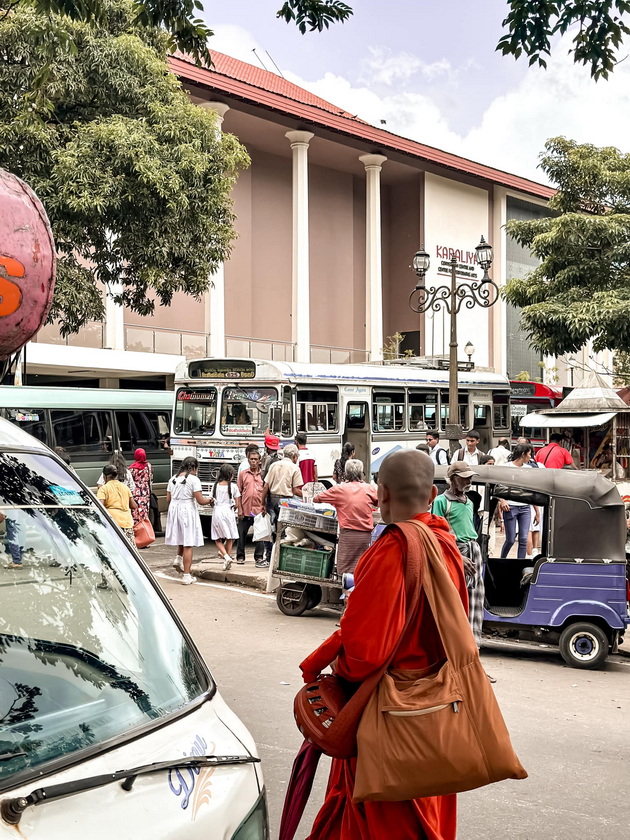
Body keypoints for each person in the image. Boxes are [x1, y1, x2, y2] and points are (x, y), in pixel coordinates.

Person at [300, 449, 467, 840]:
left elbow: (364, 652)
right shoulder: (447, 544)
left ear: (383, 493)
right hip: (437, 709)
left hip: (392, 716)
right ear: (431, 497)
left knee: (380, 817)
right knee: (428, 809)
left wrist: (331, 669)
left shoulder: (392, 549)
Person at [432, 462, 486, 654]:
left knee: (475, 602)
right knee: (457, 602)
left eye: (470, 477)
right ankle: (454, 652)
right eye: (465, 477)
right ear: (454, 479)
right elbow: (437, 535)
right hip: (456, 551)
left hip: (474, 550)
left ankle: (473, 651)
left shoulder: (469, 502)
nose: (469, 480)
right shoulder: (441, 502)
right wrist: (458, 557)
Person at [312, 459, 378, 575]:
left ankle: (347, 593)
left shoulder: (339, 489)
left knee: (345, 571)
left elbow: (317, 498)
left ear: (346, 474)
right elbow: (379, 502)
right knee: (363, 569)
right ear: (361, 473)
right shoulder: (369, 488)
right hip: (365, 536)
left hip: (348, 535)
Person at [166, 456, 213, 585]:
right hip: (187, 509)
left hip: (174, 508)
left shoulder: (172, 479)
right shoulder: (194, 480)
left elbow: (168, 499)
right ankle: (186, 575)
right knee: (188, 542)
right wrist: (210, 500)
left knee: (181, 536)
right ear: (193, 468)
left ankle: (178, 558)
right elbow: (200, 500)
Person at [262, 444, 304, 564]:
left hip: (271, 499)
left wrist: (262, 504)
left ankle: (270, 558)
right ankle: (281, 559)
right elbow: (295, 490)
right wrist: (307, 496)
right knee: (285, 531)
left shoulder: (274, 465)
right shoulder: (294, 468)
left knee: (271, 529)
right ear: (295, 456)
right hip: (286, 501)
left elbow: (266, 486)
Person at [498, 444, 539, 560]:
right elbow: (498, 487)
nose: (530, 457)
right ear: (523, 454)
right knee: (510, 539)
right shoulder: (506, 467)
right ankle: (502, 559)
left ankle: (519, 563)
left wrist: (537, 511)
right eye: (529, 454)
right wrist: (502, 500)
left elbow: (532, 491)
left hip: (525, 507)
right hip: (510, 507)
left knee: (524, 539)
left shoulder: (529, 469)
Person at [237, 449, 265, 567]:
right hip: (245, 509)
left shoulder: (263, 475)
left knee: (260, 534)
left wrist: (265, 506)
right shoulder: (243, 474)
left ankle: (259, 557)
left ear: (259, 461)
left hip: (259, 510)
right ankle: (240, 556)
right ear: (248, 460)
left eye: (256, 459)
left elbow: (266, 491)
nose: (253, 462)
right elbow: (238, 492)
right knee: (241, 533)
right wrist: (239, 509)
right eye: (251, 459)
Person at [210, 464, 241, 571]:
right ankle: (227, 557)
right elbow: (237, 504)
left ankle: (226, 556)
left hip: (218, 511)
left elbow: (212, 501)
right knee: (229, 537)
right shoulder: (233, 487)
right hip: (229, 512)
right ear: (231, 475)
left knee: (217, 538)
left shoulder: (215, 486)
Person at [97, 464, 137, 544]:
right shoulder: (125, 488)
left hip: (112, 523)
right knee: (129, 550)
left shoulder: (103, 489)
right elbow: (134, 506)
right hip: (127, 523)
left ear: (105, 477)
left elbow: (100, 506)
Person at [128, 448, 153, 531]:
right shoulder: (148, 466)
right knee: (144, 514)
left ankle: (137, 534)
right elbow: (150, 478)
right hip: (145, 493)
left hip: (135, 493)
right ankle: (145, 533)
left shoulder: (131, 468)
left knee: (135, 514)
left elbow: (130, 481)